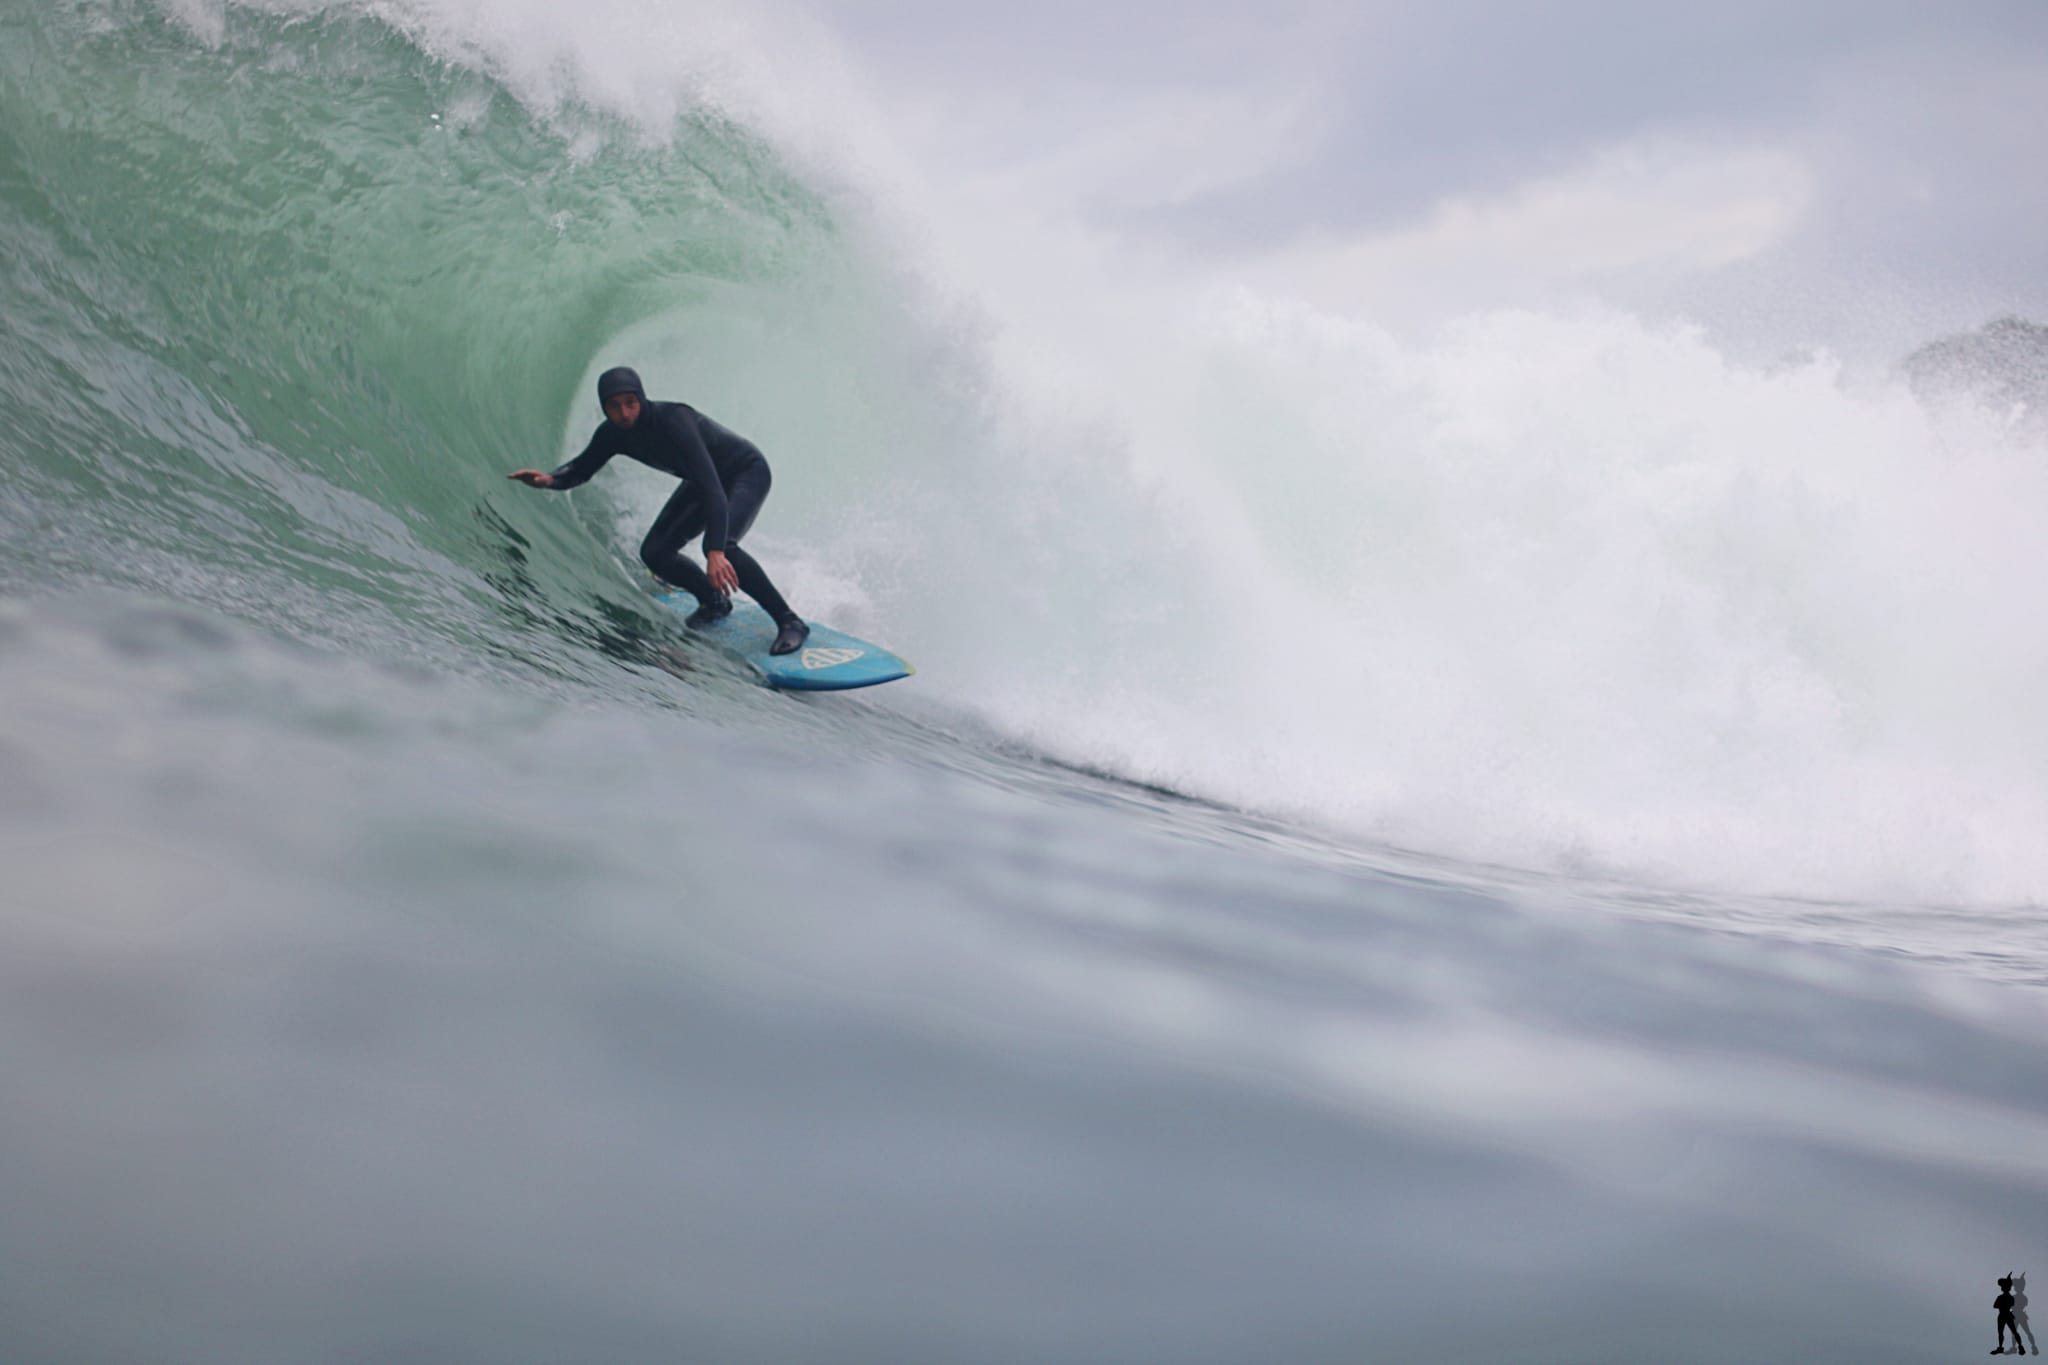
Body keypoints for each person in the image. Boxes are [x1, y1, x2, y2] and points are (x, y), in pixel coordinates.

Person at [509, 367, 809, 655]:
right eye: (615, 406)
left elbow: (714, 490)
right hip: (704, 482)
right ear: (605, 409)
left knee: (723, 547)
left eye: (630, 403)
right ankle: (714, 601)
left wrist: (716, 551)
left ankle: (789, 620)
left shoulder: (674, 420)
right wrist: (549, 480)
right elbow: (582, 469)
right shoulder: (612, 434)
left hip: (744, 472)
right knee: (655, 552)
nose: (624, 413)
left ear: (641, 398)